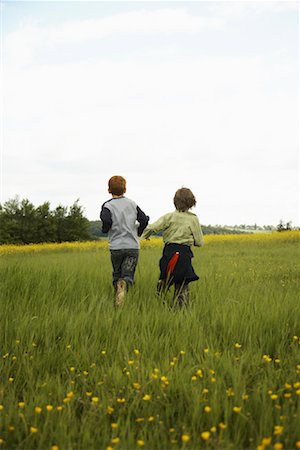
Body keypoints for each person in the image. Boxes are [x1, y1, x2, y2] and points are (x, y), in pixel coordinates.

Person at [142, 187, 204, 307]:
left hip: (169, 252)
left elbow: (151, 227)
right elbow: (199, 242)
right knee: (182, 282)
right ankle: (180, 308)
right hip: (184, 254)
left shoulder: (169, 217)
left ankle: (161, 289)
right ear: (192, 202)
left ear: (175, 201)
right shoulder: (193, 219)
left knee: (167, 274)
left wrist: (145, 237)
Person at [100, 175, 149, 306]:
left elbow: (106, 220)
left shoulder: (107, 206)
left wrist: (106, 229)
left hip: (116, 247)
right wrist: (138, 232)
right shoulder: (132, 204)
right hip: (132, 246)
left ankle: (118, 300)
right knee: (128, 274)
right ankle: (125, 285)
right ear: (125, 189)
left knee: (117, 274)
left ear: (109, 190)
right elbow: (144, 219)